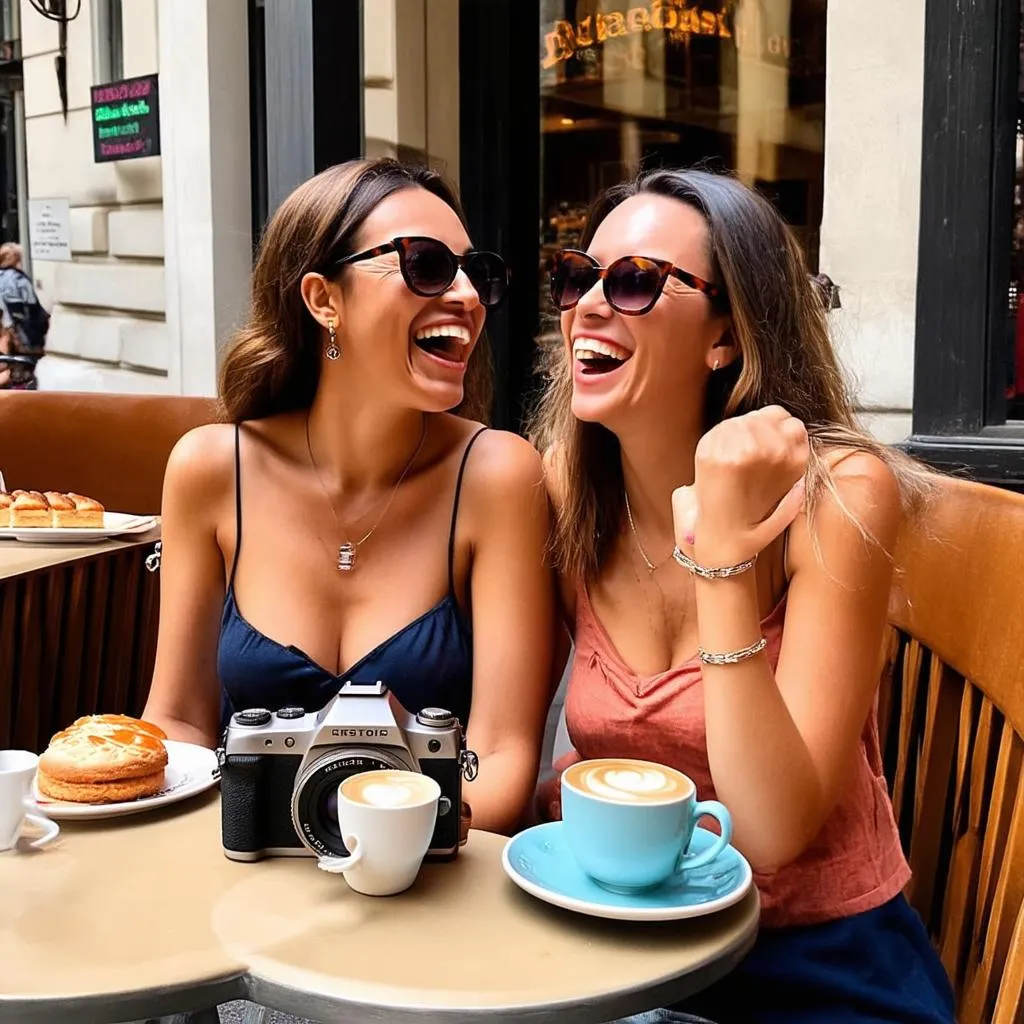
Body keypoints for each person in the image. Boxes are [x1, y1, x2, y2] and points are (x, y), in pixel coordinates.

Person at [531, 168, 954, 1023]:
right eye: (579, 277)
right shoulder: (566, 493)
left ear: (728, 333)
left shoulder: (837, 493)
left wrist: (719, 555)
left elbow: (770, 828)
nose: (589, 307)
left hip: (816, 964)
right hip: (621, 947)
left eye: (637, 281)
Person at [142, 159, 555, 835]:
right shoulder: (210, 470)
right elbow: (178, 720)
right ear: (322, 299)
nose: (468, 296)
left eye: (474, 272)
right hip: (243, 869)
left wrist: (399, 828)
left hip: (430, 886)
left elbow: (502, 759)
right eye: (425, 265)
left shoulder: (498, 476)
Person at [0, 243, 48, 390]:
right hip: (21, 332)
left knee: (8, 364)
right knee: (23, 367)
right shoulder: (18, 279)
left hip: (5, 330)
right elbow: (30, 306)